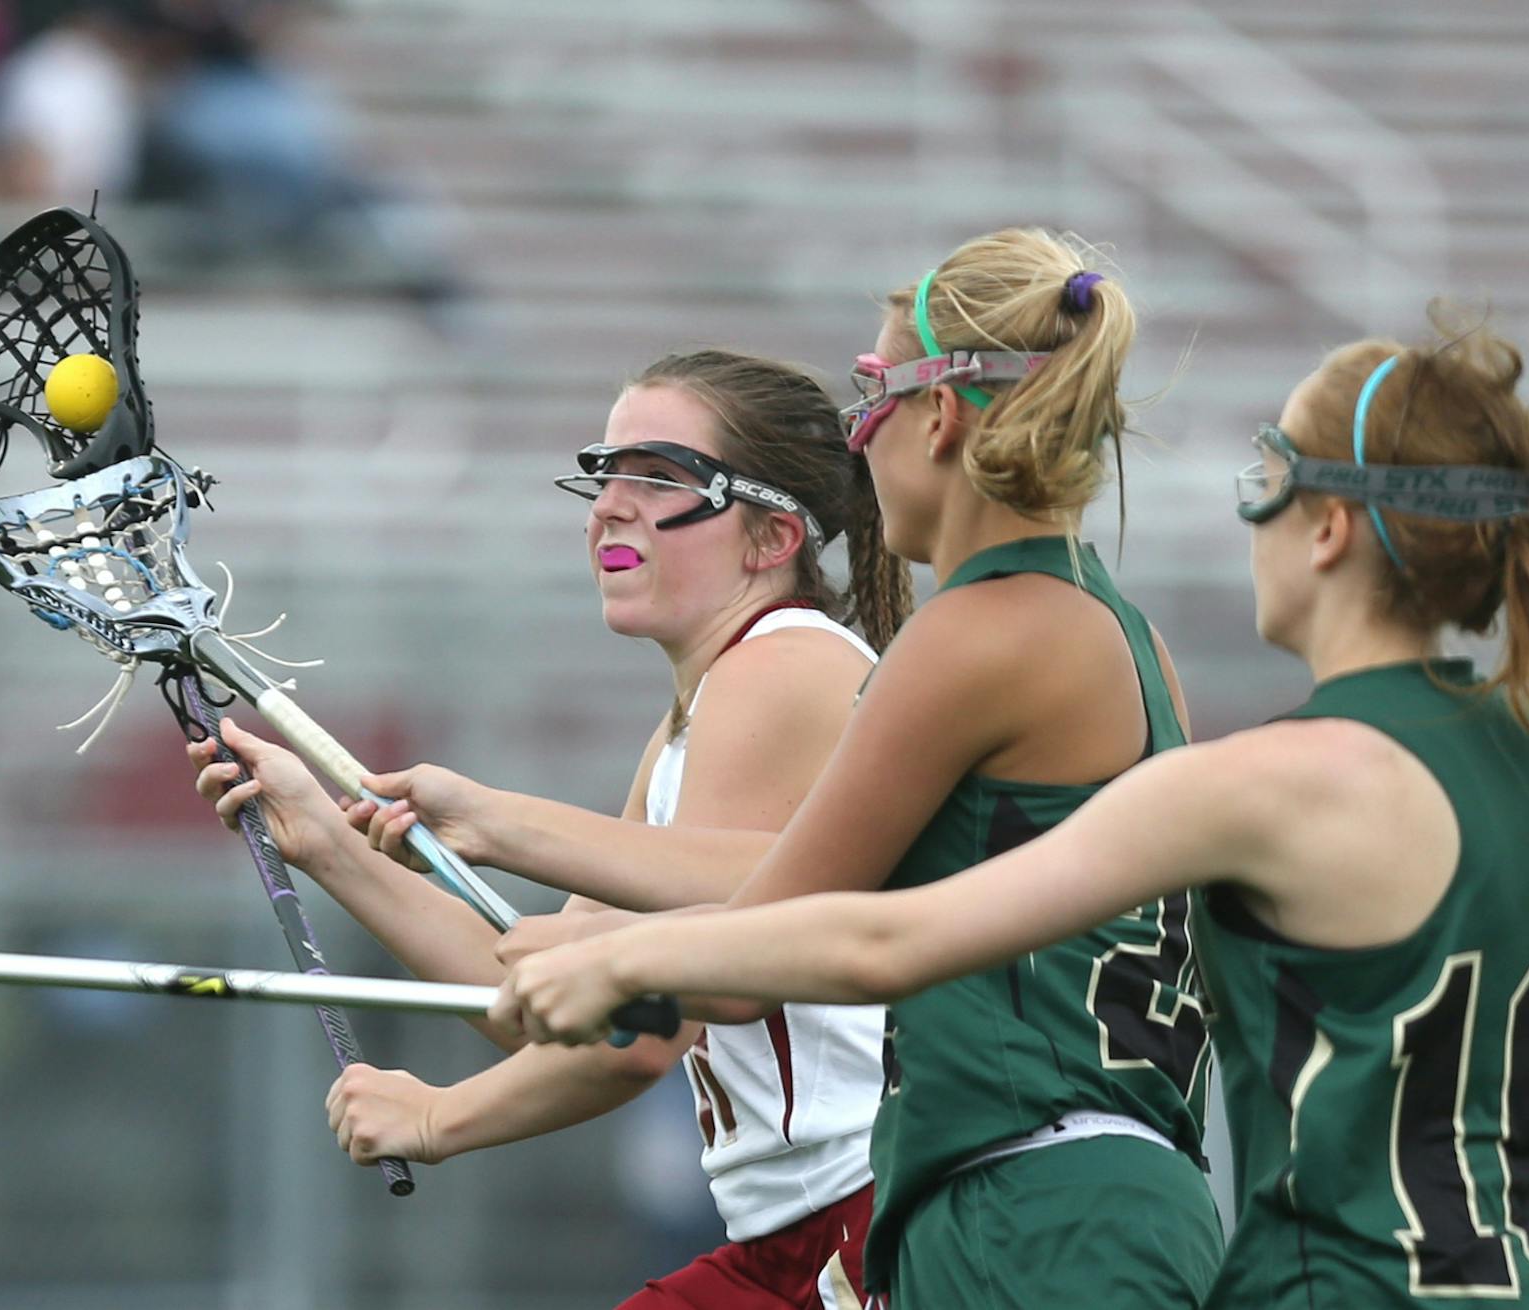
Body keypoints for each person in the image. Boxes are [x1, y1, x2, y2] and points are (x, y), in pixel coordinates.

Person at [498, 311, 1529, 1306]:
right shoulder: (1524, 758)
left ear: (1326, 529)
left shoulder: (1260, 779)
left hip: (1253, 1264)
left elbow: (883, 938)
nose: (1251, 517)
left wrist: (628, 957)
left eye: (1262, 478)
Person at [481, 228, 1222, 1308]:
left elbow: (763, 950)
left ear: (941, 413)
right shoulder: (1118, 628)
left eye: (870, 393)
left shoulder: (972, 636)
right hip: (1103, 1195)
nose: (854, 438)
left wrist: (603, 938)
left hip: (1024, 1207)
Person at [191, 348, 912, 1308]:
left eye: (657, 478)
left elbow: (652, 1032)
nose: (608, 506)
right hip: (795, 1237)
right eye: (605, 473)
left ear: (772, 535)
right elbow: (555, 1003)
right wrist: (324, 841)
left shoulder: (778, 666)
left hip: (863, 1227)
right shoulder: (688, 726)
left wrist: (439, 1117)